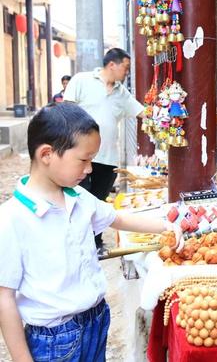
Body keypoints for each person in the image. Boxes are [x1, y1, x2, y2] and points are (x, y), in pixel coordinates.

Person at [0, 102, 182, 362]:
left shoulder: (79, 197)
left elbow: (116, 218)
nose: (89, 169)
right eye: (83, 160)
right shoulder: (12, 219)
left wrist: (166, 227)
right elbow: (4, 297)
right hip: (54, 339)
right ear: (46, 155)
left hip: (96, 320)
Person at [64, 48, 144, 254]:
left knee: (98, 201)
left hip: (107, 158)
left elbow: (141, 112)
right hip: (79, 156)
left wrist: (167, 113)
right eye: (125, 68)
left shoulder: (121, 92)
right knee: (78, 199)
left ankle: (95, 244)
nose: (127, 73)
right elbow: (66, 113)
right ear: (112, 65)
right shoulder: (81, 80)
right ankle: (74, 244)